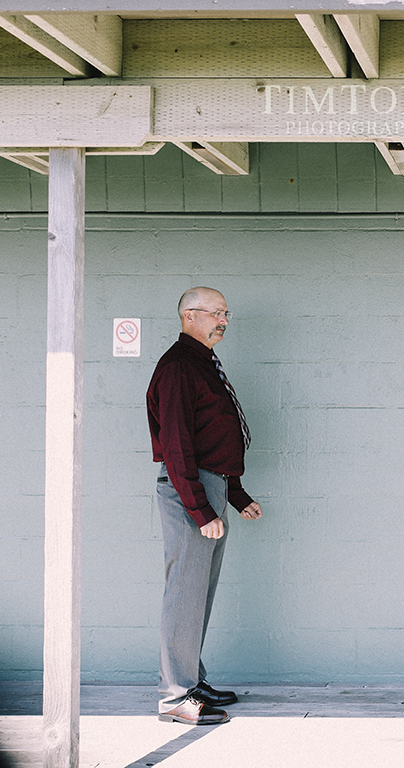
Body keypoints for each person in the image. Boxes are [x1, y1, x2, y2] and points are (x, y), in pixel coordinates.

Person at [146, 287, 263, 725]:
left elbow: (210, 440)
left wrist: (235, 496)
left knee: (198, 595)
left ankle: (191, 679)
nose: (224, 321)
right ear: (189, 315)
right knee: (184, 594)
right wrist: (201, 510)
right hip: (189, 493)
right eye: (217, 313)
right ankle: (175, 696)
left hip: (209, 489)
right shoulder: (178, 366)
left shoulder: (200, 364)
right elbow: (177, 446)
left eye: (226, 314)